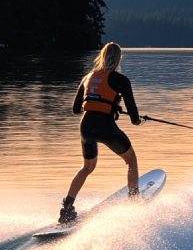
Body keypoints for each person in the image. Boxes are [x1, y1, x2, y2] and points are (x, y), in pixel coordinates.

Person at [58, 42, 143, 224]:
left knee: (87, 167)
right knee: (131, 160)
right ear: (119, 58)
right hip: (105, 127)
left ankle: (66, 209)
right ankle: (134, 200)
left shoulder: (88, 77)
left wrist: (102, 103)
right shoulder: (121, 80)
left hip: (86, 127)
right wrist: (139, 121)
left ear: (102, 57)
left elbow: (75, 109)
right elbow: (134, 117)